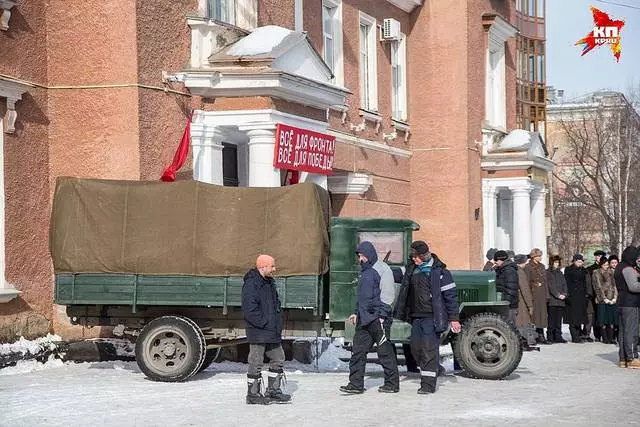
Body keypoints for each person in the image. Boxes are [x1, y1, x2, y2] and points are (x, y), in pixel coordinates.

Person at [393, 241, 461, 394]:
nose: (413, 259)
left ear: (423, 256)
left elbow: (450, 297)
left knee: (428, 350)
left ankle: (428, 386)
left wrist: (454, 318)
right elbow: (396, 274)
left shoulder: (441, 272)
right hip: (416, 317)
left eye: (415, 257)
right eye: (412, 256)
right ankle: (434, 368)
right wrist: (380, 269)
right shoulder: (411, 269)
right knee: (416, 349)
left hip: (432, 318)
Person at [340, 241, 399, 394]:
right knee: (358, 352)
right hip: (364, 319)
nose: (360, 259)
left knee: (385, 352)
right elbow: (362, 297)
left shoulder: (382, 269)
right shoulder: (364, 271)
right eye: (359, 256)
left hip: (378, 319)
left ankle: (392, 384)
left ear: (369, 254)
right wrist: (356, 312)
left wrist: (382, 316)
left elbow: (388, 295)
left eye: (362, 256)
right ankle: (355, 384)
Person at [242, 254, 291, 405]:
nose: (274, 269)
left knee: (278, 357)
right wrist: (264, 323)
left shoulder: (269, 282)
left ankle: (273, 391)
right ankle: (253, 395)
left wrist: (274, 323)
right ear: (263, 266)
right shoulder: (251, 284)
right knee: (256, 362)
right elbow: (249, 310)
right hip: (259, 331)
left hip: (271, 331)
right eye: (272, 266)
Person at [613, 246, 640, 368]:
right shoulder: (628, 269)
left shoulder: (619, 267)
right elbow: (633, 286)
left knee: (623, 331)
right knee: (631, 330)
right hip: (630, 303)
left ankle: (623, 357)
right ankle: (632, 357)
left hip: (622, 302)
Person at [525, 248, 550, 344]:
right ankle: (534, 336)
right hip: (534, 294)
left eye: (540, 256)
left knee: (542, 316)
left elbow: (545, 281)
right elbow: (526, 282)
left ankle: (541, 335)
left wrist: (547, 295)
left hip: (542, 294)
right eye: (538, 256)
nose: (540, 258)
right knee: (534, 316)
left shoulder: (542, 266)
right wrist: (534, 285)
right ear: (533, 257)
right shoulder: (528, 267)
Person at [563, 254, 589, 343]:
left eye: (581, 262)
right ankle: (575, 336)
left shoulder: (584, 270)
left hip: (581, 296)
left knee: (580, 317)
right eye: (579, 261)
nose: (580, 263)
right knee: (573, 318)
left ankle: (579, 334)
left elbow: (585, 283)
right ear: (574, 261)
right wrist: (568, 295)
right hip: (572, 296)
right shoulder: (569, 270)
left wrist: (586, 295)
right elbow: (567, 283)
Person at [592, 257, 617, 344]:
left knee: (611, 320)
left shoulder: (612, 272)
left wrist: (614, 298)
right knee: (602, 319)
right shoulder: (596, 273)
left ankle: (611, 338)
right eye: (604, 265)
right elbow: (597, 287)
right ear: (601, 265)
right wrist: (604, 298)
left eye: (607, 264)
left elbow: (615, 286)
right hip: (602, 300)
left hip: (611, 299)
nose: (606, 266)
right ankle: (605, 338)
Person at [515, 254, 536, 347]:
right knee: (523, 322)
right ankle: (524, 341)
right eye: (525, 262)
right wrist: (530, 305)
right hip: (521, 302)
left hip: (517, 300)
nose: (526, 264)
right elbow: (525, 289)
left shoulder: (514, 270)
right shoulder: (520, 272)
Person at [546, 255, 568, 343]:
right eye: (555, 262)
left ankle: (558, 335)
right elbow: (550, 286)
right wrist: (557, 295)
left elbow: (564, 284)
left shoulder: (560, 273)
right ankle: (550, 336)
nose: (557, 264)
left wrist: (564, 294)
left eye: (558, 262)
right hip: (552, 300)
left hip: (561, 300)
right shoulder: (548, 272)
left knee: (559, 320)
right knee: (551, 320)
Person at [493, 250, 519, 324]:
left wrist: (505, 302)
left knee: (509, 327)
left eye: (496, 260)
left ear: (502, 259)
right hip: (504, 303)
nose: (495, 262)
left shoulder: (509, 270)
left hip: (509, 305)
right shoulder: (500, 270)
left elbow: (511, 288)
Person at [586, 250, 606, 341]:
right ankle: (596, 334)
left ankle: (604, 335)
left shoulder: (606, 268)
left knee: (602, 315)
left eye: (601, 256)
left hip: (605, 296)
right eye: (597, 256)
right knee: (593, 315)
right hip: (593, 295)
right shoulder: (590, 269)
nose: (599, 258)